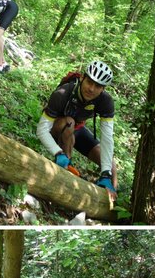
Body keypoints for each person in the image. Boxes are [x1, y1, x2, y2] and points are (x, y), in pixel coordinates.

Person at [36, 60, 118, 198]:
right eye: (89, 82)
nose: (91, 89)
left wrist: (106, 173)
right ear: (82, 78)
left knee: (110, 164)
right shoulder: (63, 93)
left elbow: (107, 138)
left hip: (78, 129)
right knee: (69, 123)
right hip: (58, 127)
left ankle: (111, 197)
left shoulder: (105, 102)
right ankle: (66, 170)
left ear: (103, 89)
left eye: (97, 86)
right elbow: (42, 130)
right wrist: (57, 153)